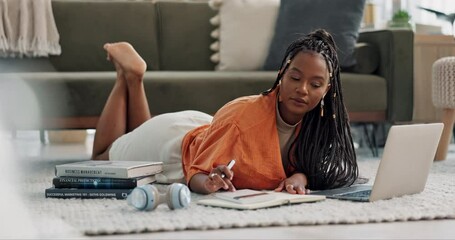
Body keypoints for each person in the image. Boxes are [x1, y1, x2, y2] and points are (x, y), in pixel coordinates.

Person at [91, 29, 359, 195]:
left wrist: (299, 176)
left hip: (210, 131)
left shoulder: (319, 123)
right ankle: (126, 76)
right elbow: (196, 171)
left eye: (315, 84)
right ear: (281, 75)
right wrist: (208, 183)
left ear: (327, 90)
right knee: (100, 159)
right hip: (173, 148)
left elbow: (309, 167)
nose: (302, 90)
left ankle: (133, 78)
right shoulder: (244, 118)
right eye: (295, 78)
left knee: (133, 136)